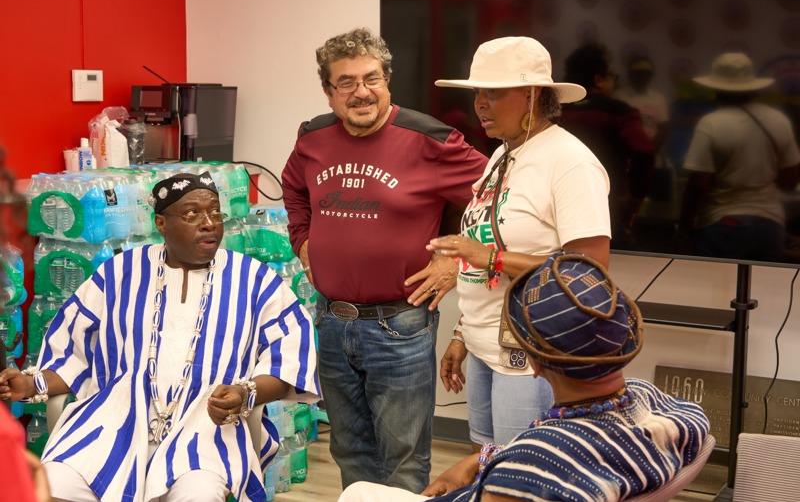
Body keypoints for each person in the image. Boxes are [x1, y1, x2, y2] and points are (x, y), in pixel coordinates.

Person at [0, 172, 320, 502]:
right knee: (52, 484)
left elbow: (289, 359)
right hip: (114, 419)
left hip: (206, 428)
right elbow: (74, 352)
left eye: (215, 212)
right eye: (192, 214)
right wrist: (31, 384)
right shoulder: (120, 272)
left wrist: (246, 391)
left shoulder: (255, 279)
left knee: (198, 494)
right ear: (162, 224)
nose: (209, 223)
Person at [281, 27, 487, 492]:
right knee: (349, 449)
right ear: (329, 92)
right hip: (331, 321)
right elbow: (293, 187)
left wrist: (454, 259)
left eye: (371, 78)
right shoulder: (313, 137)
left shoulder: (431, 139)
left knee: (402, 457)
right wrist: (302, 239)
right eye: (347, 82)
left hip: (401, 326)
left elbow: (498, 201)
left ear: (387, 80)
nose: (362, 92)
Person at [338, 251, 711, 502]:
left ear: (533, 360)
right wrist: (483, 458)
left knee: (357, 493)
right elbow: (551, 454)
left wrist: (501, 465)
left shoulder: (526, 471)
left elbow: (532, 464)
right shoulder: (665, 409)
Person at [428, 36, 611, 451]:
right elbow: (485, 248)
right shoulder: (502, 155)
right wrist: (462, 334)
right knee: (486, 464)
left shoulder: (570, 162)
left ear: (531, 95)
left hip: (532, 356)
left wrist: (491, 257)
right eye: (477, 93)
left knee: (520, 474)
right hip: (485, 347)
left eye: (493, 93)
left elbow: (590, 271)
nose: (480, 104)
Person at [678, 52, 800, 262]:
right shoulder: (779, 120)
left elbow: (698, 186)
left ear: (716, 89)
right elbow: (789, 181)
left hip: (724, 222)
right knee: (762, 284)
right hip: (771, 226)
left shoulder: (711, 122)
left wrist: (683, 229)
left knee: (715, 283)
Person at [558, 42, 655, 248]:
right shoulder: (619, 111)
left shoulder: (553, 112)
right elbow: (643, 150)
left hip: (557, 208)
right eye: (613, 76)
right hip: (608, 208)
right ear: (599, 80)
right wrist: (634, 197)